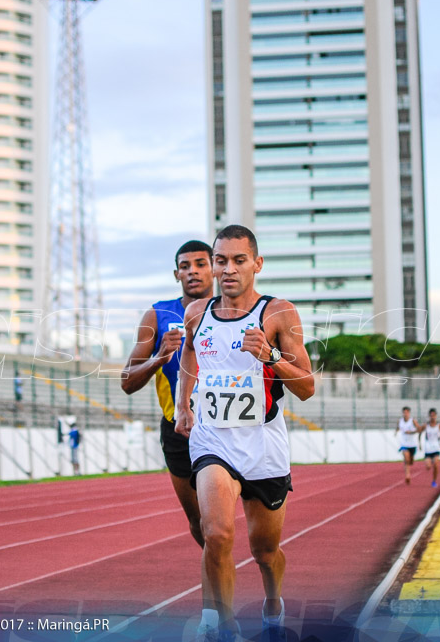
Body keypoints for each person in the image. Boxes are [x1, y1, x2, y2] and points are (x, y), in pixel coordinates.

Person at [175, 225, 315, 642]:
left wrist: (270, 355)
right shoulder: (196, 313)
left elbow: (306, 386)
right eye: (221, 260)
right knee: (215, 533)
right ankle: (224, 628)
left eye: (239, 260)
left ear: (257, 263)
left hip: (262, 444)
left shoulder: (278, 313)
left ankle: (273, 602)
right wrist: (185, 403)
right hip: (213, 438)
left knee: (264, 552)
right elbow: (189, 350)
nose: (229, 269)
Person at [121, 240, 213, 547]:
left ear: (215, 268)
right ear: (176, 274)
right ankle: (217, 572)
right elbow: (127, 382)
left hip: (230, 426)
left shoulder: (236, 311)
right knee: (200, 521)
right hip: (180, 429)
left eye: (201, 264)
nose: (193, 272)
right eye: (185, 266)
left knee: (234, 519)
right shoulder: (158, 315)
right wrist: (158, 357)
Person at [395, 406, 420, 485]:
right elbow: (398, 428)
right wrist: (396, 432)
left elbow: (419, 429)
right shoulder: (400, 421)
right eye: (404, 412)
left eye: (407, 412)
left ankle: (410, 462)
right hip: (404, 444)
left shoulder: (413, 421)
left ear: (409, 413)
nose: (405, 414)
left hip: (412, 444)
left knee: (410, 461)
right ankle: (407, 475)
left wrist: (411, 432)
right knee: (406, 458)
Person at [421, 408, 440, 488]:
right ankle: (430, 462)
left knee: (436, 465)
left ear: (436, 416)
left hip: (436, 448)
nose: (432, 417)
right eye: (431, 416)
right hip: (428, 449)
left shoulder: (439, 426)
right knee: (428, 467)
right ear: (429, 416)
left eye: (434, 415)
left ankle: (434, 481)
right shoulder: (426, 426)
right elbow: (419, 431)